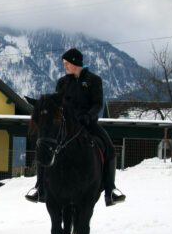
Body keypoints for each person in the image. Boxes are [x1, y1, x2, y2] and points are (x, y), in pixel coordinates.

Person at [27, 48, 126, 207]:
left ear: (75, 63)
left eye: (67, 63)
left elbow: (98, 103)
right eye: (64, 64)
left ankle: (110, 190)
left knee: (109, 147)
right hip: (67, 124)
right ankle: (40, 188)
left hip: (88, 123)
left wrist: (88, 116)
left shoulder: (94, 80)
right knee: (45, 145)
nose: (64, 66)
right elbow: (56, 103)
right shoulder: (62, 82)